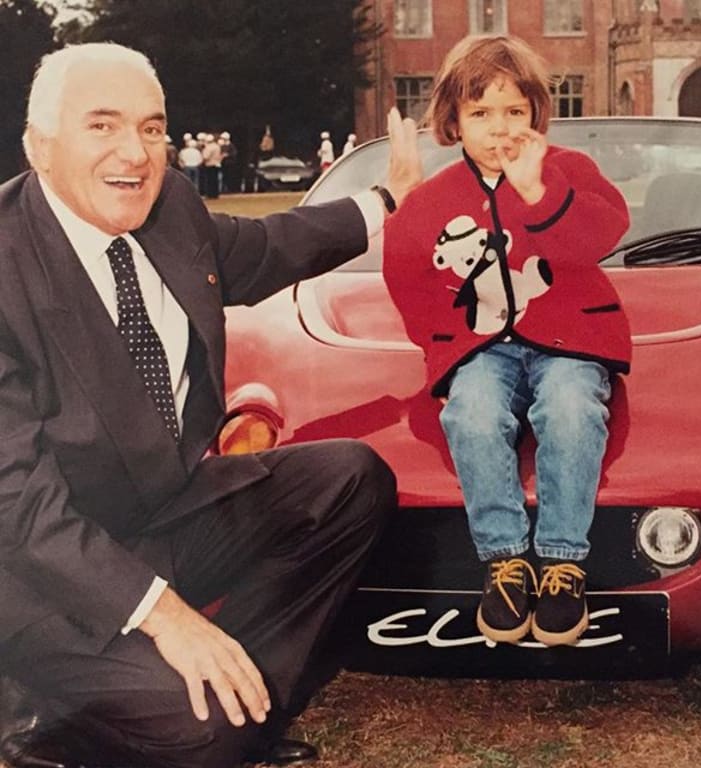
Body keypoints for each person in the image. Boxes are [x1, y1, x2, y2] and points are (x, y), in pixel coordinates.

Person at [0, 41, 421, 768]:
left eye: (153, 127)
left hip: (165, 517)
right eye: (102, 125)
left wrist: (386, 202)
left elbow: (267, 246)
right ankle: (47, 725)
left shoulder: (171, 208)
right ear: (40, 146)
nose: (135, 152)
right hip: (41, 576)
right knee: (203, 734)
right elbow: (19, 510)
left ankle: (238, 692)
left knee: (350, 478)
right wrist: (165, 618)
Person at [383, 35, 630, 649]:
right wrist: (443, 343)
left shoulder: (567, 171)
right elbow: (407, 274)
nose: (500, 130)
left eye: (514, 112)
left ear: (536, 115)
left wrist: (536, 193)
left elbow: (604, 232)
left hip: (570, 339)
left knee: (572, 409)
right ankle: (505, 563)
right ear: (453, 121)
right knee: (471, 410)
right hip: (482, 346)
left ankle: (563, 562)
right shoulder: (434, 197)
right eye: (481, 113)